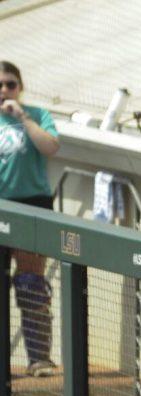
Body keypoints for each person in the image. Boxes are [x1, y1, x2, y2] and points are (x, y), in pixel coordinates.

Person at [1, 61, 60, 377]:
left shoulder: (37, 116)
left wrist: (21, 117)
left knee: (30, 283)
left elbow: (51, 146)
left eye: (10, 84)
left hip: (32, 205)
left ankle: (39, 358)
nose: (4, 91)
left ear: (19, 87)